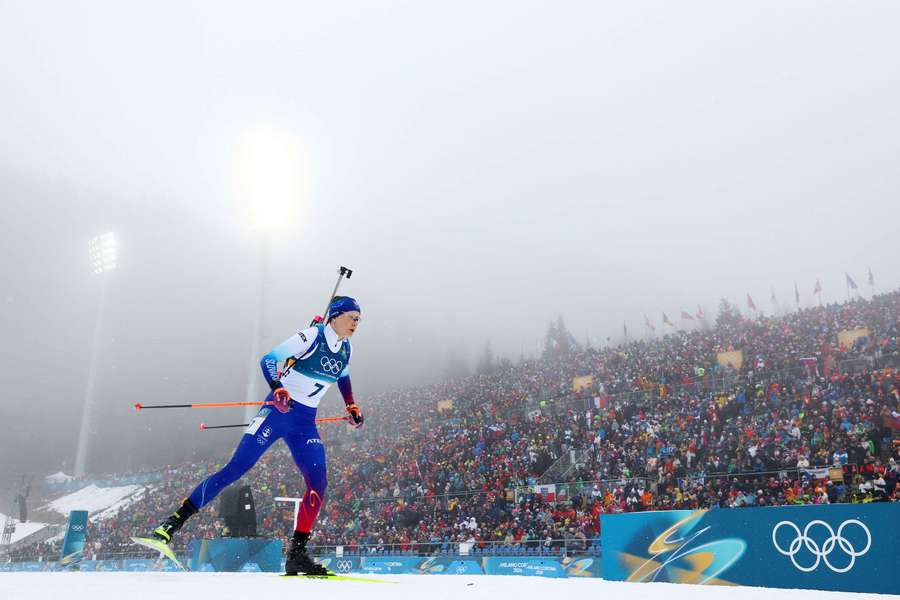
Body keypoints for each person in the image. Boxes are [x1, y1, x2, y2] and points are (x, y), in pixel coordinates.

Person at [148, 296, 364, 576]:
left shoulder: (346, 348)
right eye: (352, 317)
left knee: (318, 483)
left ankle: (297, 555)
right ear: (335, 316)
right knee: (235, 469)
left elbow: (343, 376)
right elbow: (269, 360)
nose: (357, 323)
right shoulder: (311, 336)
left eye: (359, 319)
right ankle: (170, 525)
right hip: (277, 413)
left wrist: (351, 404)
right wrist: (277, 388)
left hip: (304, 423)